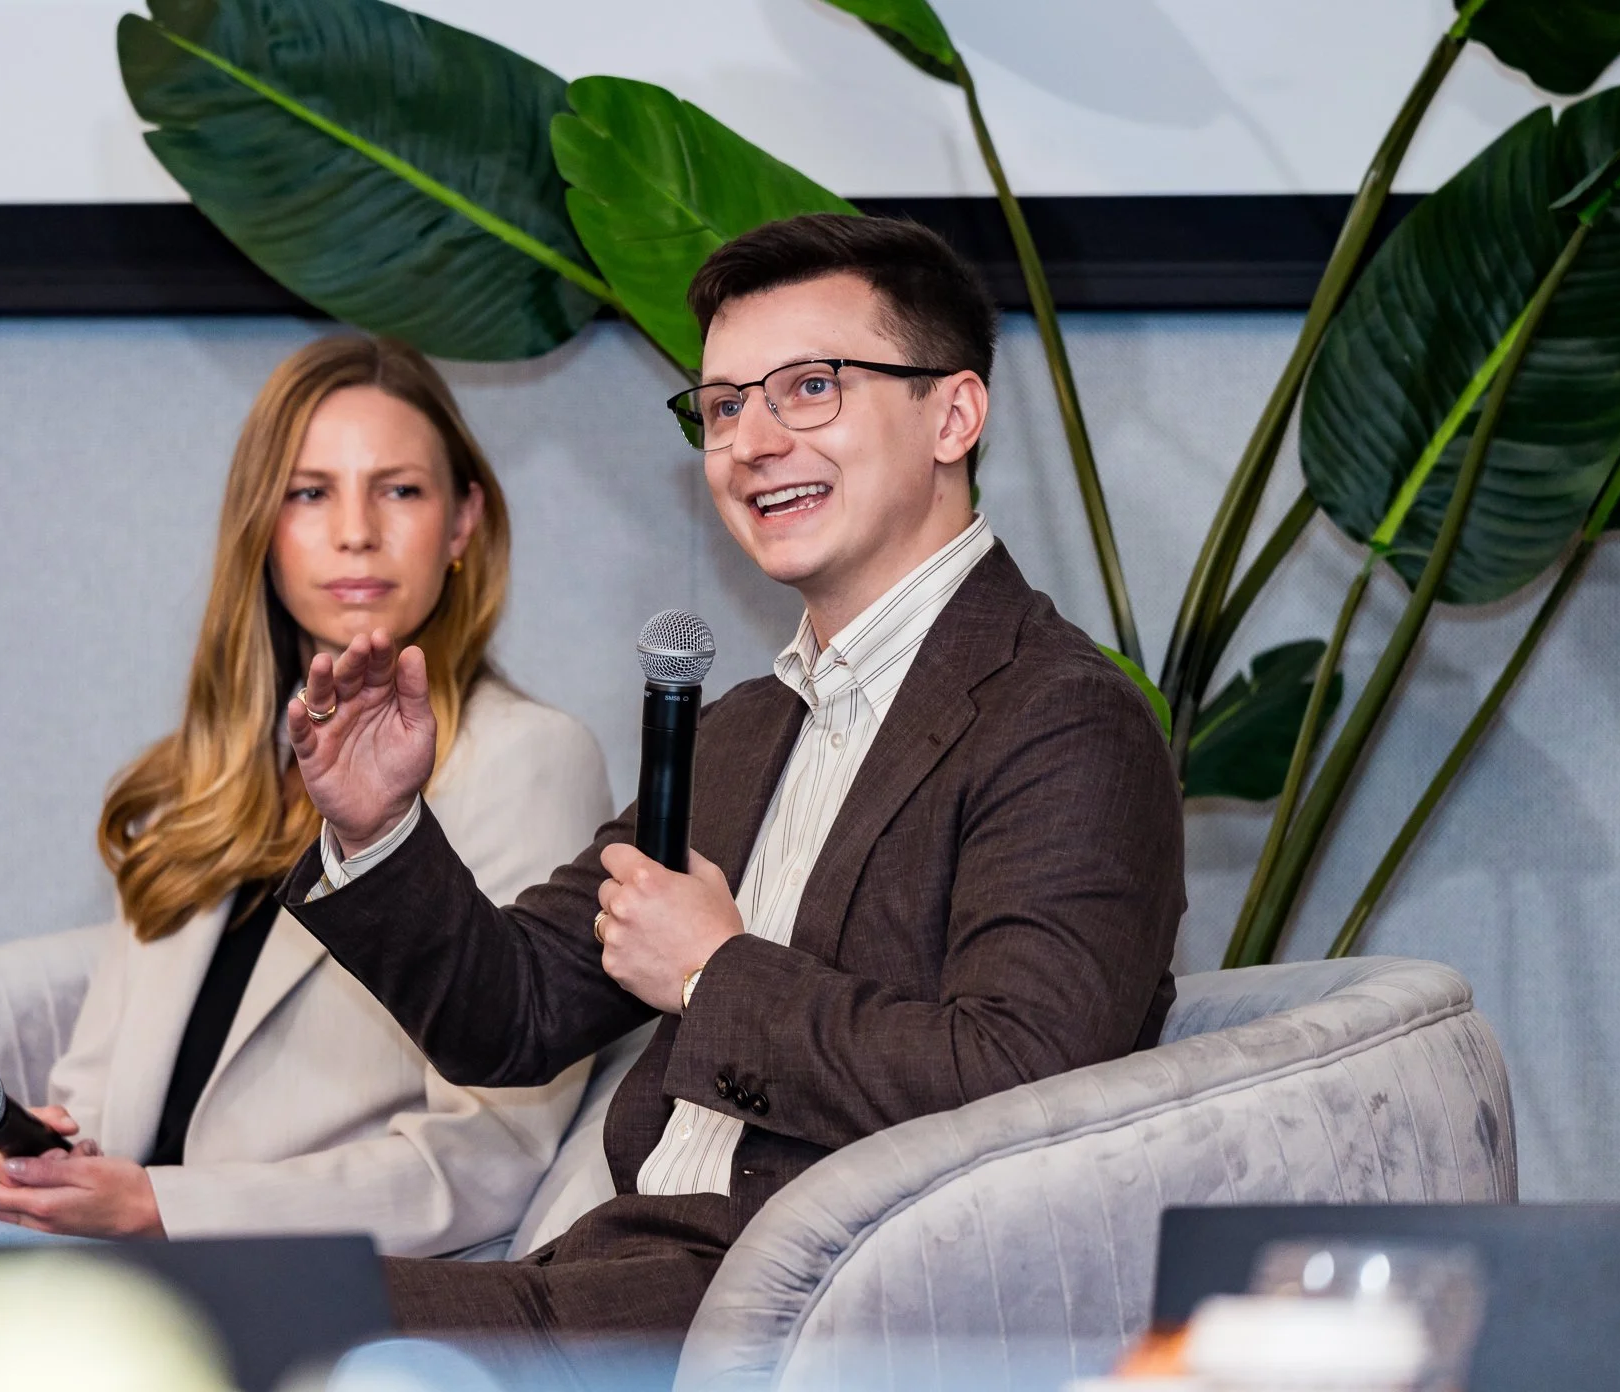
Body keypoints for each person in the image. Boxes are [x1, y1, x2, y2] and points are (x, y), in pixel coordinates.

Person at [274, 215, 1186, 1362]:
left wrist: (712, 972)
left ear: (953, 416)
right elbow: (513, 1016)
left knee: (229, 1327)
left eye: (810, 388)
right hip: (618, 1282)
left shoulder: (1063, 717)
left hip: (814, 1320)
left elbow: (1022, 1086)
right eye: (720, 407)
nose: (750, 442)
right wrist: (379, 827)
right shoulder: (742, 731)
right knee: (162, 1310)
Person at [0, 335, 614, 1364]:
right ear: (261, 528)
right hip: (118, 1266)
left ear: (463, 522)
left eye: (399, 490)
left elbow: (490, 1159)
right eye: (310, 493)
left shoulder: (526, 758)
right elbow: (95, 1094)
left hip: (316, 1293)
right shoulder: (200, 785)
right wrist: (50, 1159)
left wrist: (159, 1206)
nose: (356, 531)